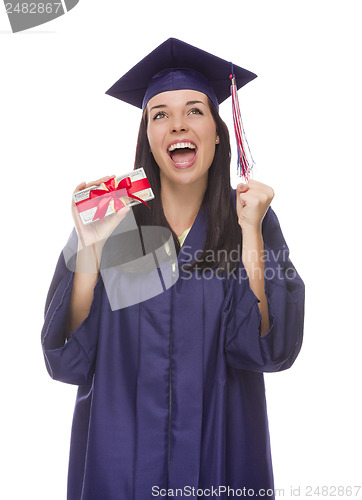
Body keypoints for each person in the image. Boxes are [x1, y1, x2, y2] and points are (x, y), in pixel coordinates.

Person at [41, 38, 305, 500]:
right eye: (160, 114)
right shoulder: (112, 217)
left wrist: (250, 231)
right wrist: (89, 249)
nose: (177, 125)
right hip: (119, 467)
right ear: (147, 135)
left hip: (221, 466)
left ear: (219, 131)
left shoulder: (251, 220)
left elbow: (270, 349)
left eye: (194, 111)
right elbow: (68, 359)